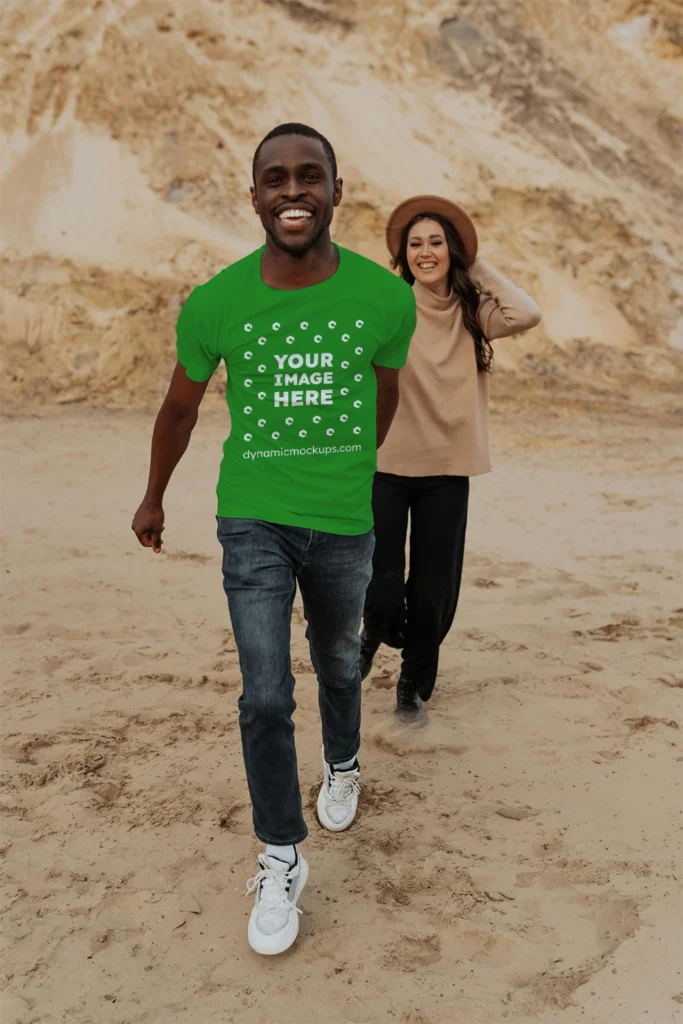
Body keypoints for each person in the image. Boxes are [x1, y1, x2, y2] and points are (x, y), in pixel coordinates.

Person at [131, 124, 416, 955]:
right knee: (262, 693)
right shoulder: (215, 302)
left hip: (341, 521)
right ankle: (280, 852)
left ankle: (341, 762)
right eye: (275, 179)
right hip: (251, 515)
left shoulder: (381, 297)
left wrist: (358, 469)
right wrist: (153, 496)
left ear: (335, 189)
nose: (293, 192)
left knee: (336, 662)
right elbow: (180, 408)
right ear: (253, 194)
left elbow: (383, 393)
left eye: (309, 177)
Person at [359, 195, 542, 721]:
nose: (425, 252)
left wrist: (474, 262)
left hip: (447, 471)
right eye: (415, 244)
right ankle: (372, 630)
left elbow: (526, 313)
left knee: (433, 588)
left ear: (452, 249)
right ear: (403, 254)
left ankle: (411, 687)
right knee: (382, 576)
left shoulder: (474, 311)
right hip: (387, 467)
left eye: (436, 242)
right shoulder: (389, 305)